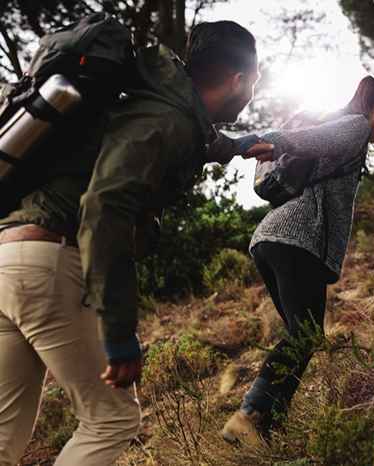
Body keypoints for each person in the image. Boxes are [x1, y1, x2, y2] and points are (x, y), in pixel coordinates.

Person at [0, 20, 271, 465]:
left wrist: (236, 147)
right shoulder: (166, 117)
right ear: (240, 79)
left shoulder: (158, 100)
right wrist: (119, 331)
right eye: (256, 81)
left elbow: (176, 134)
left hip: (11, 258)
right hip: (52, 263)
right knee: (112, 420)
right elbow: (106, 207)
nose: (254, 92)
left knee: (4, 432)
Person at [221, 76, 374, 448]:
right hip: (295, 239)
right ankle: (250, 416)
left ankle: (265, 427)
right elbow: (319, 139)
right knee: (304, 335)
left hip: (275, 240)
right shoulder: (356, 125)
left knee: (302, 336)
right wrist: (272, 140)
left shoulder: (346, 127)